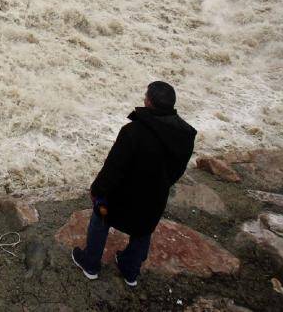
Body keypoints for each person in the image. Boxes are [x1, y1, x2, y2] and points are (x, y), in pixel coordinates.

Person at [72, 81, 196, 286]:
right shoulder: (186, 134)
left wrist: (97, 190)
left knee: (100, 219)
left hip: (122, 195)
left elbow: (113, 167)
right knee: (143, 230)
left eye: (146, 96)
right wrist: (162, 185)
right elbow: (178, 170)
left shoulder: (133, 131)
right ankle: (130, 271)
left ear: (149, 102)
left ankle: (90, 263)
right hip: (154, 197)